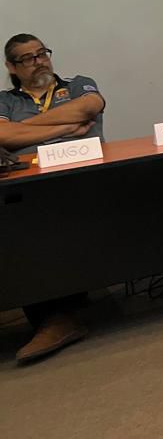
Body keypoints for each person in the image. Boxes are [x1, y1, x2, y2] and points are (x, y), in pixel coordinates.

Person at [0, 34, 105, 363]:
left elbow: (89, 107)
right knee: (19, 224)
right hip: (29, 186)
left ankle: (59, 319)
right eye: (28, 58)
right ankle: (55, 318)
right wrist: (63, 127)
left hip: (82, 179)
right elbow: (2, 135)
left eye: (42, 54)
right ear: (11, 67)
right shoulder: (4, 100)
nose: (39, 62)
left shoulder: (77, 85)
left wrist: (24, 129)